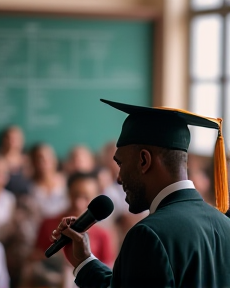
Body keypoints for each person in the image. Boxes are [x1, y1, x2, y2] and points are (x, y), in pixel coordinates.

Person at [51, 99, 230, 288]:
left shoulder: (149, 235)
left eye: (121, 164)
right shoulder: (225, 225)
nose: (119, 178)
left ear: (144, 160)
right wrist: (84, 260)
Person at [23, 172, 115, 288]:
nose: (78, 203)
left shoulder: (103, 234)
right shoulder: (48, 223)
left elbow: (107, 272)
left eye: (86, 197)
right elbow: (34, 258)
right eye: (75, 195)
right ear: (68, 193)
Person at [1, 126, 30, 196]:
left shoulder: (28, 160)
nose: (11, 142)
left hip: (25, 198)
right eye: (8, 138)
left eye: (15, 139)